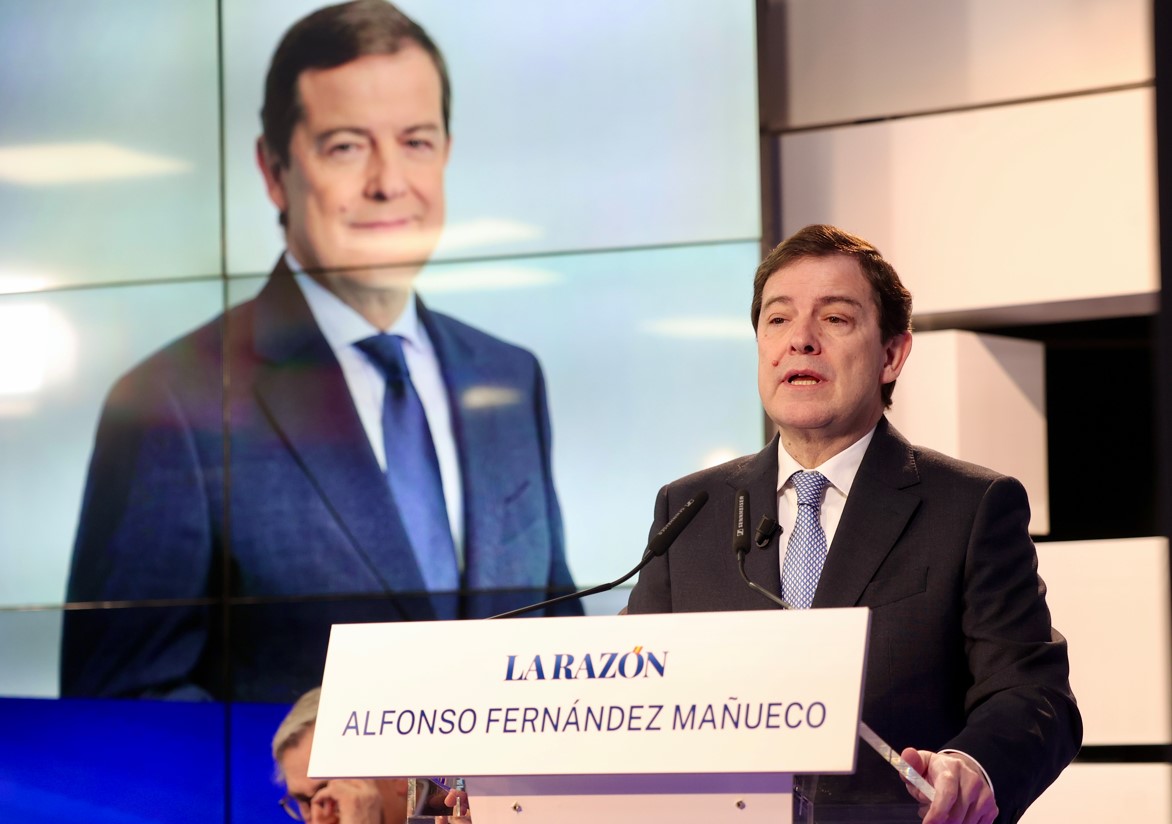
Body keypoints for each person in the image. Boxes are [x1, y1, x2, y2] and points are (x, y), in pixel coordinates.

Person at [61, 0, 576, 703]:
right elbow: (123, 705)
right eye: (346, 146)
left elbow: (558, 641)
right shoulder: (170, 403)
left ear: (446, 153)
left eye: (416, 142)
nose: (389, 182)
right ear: (274, 170)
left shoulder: (509, 379)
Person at [626, 224, 1081, 824]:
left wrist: (973, 766)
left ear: (891, 355)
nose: (800, 341)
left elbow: (1033, 693)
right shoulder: (689, 510)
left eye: (835, 318)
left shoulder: (970, 507)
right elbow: (633, 689)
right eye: (778, 319)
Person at [274, 687, 470, 823]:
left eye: (329, 794)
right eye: (303, 802)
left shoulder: (470, 808)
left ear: (397, 774)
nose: (319, 819)